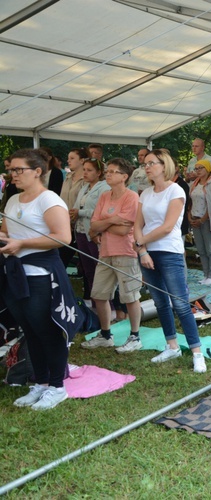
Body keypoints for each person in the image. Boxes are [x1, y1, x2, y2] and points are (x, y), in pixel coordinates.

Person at [1, 149, 84, 410]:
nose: (12, 175)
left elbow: (62, 237)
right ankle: (42, 383)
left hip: (42, 275)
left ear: (37, 171)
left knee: (46, 331)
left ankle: (58, 387)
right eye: (11, 170)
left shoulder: (49, 200)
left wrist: (22, 243)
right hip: (16, 274)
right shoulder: (13, 200)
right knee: (31, 332)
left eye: (18, 170)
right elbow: (7, 232)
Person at [134, 149, 206, 372]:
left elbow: (167, 226)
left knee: (181, 303)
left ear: (164, 166)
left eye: (151, 163)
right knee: (160, 302)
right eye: (145, 163)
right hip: (147, 252)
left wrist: (141, 243)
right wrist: (143, 250)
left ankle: (197, 352)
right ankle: (171, 345)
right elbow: (137, 224)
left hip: (169, 252)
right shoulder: (145, 194)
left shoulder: (175, 190)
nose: (147, 167)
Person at [83, 158, 142, 352]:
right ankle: (106, 334)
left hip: (126, 252)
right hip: (105, 252)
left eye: (113, 171)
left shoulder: (131, 197)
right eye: (107, 171)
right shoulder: (104, 196)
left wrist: (104, 224)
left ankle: (135, 336)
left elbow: (124, 231)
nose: (108, 174)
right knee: (99, 294)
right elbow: (93, 225)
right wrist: (114, 220)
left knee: (130, 296)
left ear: (124, 176)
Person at [71, 158, 110, 306]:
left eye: (89, 170)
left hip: (95, 233)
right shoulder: (84, 187)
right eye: (84, 169)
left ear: (99, 173)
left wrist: (80, 212)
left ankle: (109, 305)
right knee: (88, 269)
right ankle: (95, 304)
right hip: (80, 231)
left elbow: (103, 211)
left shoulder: (104, 188)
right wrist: (73, 213)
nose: (85, 173)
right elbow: (76, 206)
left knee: (100, 269)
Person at [188, 159, 211, 284]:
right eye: (196, 168)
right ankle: (205, 274)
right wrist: (189, 216)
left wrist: (203, 219)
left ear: (208, 169)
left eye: (201, 168)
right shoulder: (194, 184)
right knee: (200, 249)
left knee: (209, 249)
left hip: (206, 220)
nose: (198, 171)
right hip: (195, 218)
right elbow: (190, 201)